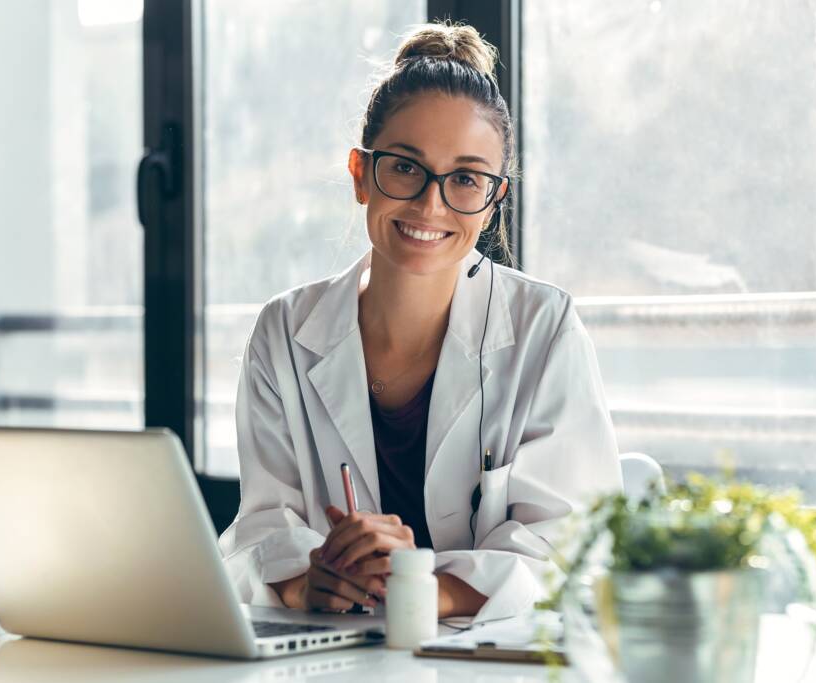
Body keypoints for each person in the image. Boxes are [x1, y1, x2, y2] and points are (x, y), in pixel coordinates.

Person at [218, 21, 621, 622]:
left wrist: (421, 588)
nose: (431, 205)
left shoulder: (545, 326)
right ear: (361, 175)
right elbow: (263, 526)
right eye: (405, 168)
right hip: (335, 651)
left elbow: (572, 544)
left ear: (492, 201)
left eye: (464, 179)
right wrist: (308, 583)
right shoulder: (282, 330)